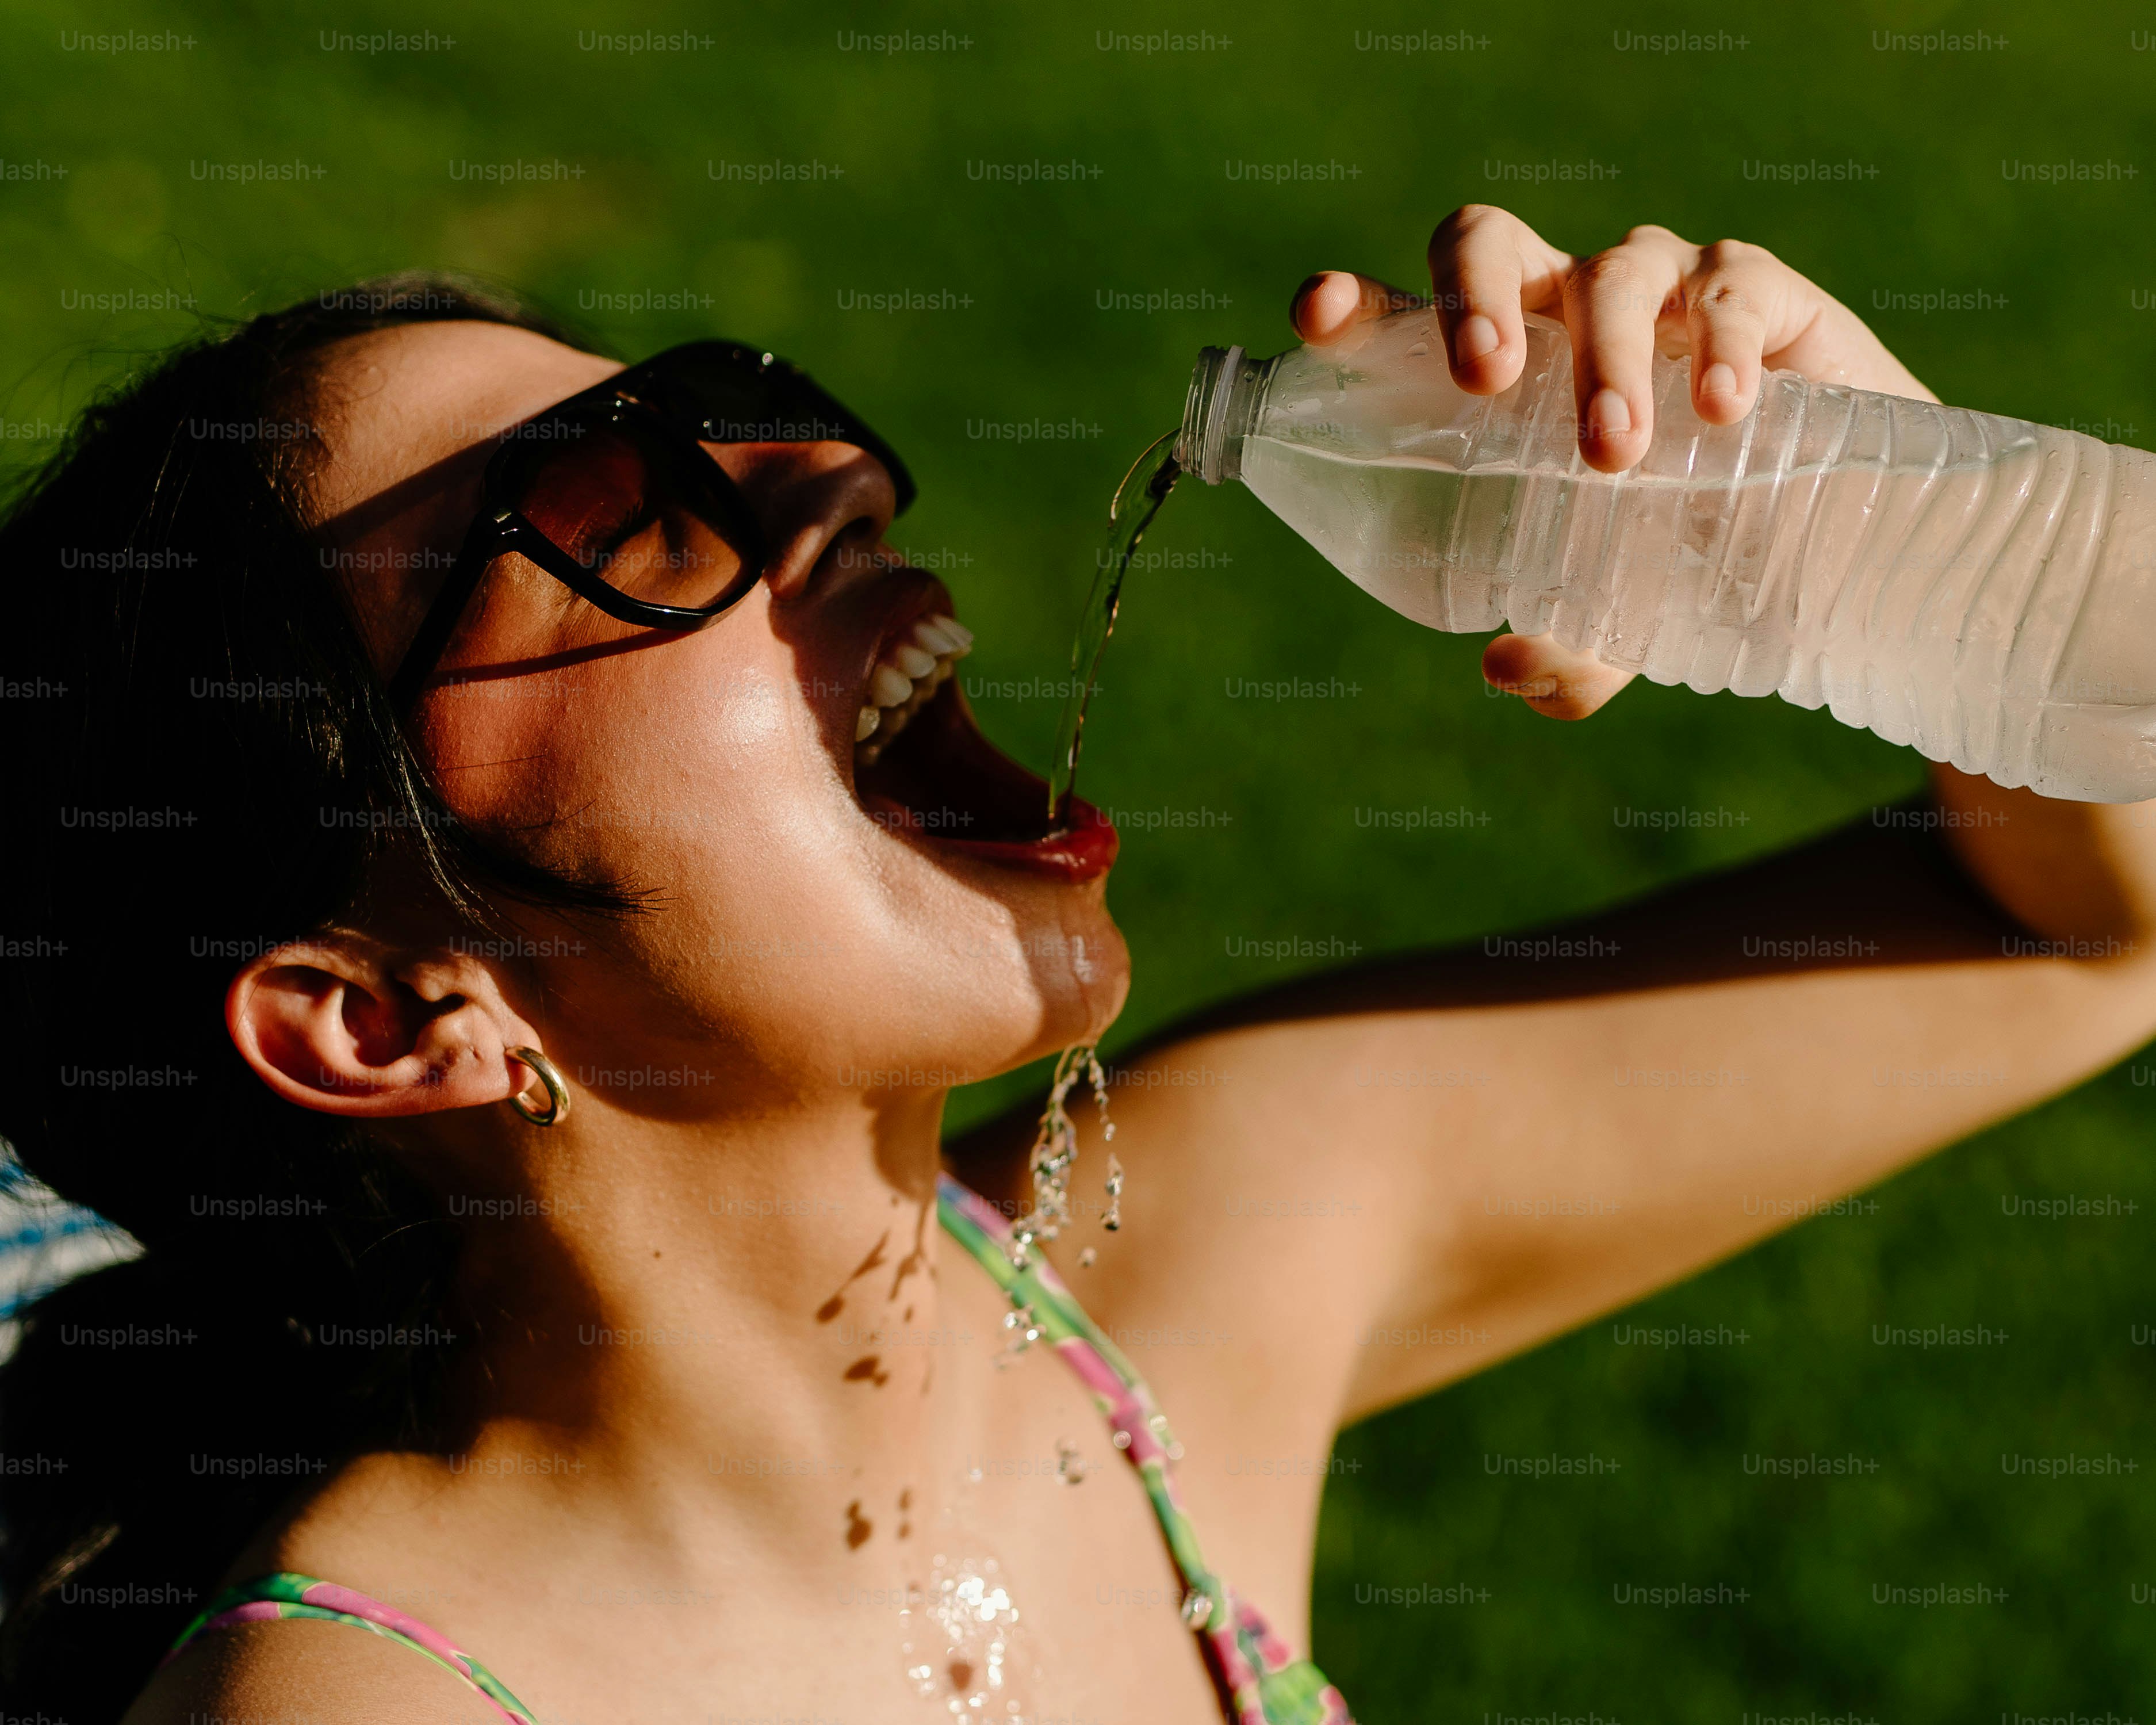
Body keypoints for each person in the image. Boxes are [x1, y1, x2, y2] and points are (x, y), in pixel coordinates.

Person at [4, 204, 2151, 1725]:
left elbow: (2073, 928)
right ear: (388, 1020)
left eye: (733, 405)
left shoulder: (1183, 1278)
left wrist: (1894, 558)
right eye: (619, 509)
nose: (827, 471)